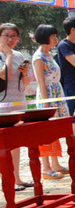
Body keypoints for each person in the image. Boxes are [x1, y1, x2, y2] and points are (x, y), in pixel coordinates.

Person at [32, 24, 70, 180]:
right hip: (47, 94)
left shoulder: (49, 55)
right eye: (53, 36)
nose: (55, 38)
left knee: (55, 131)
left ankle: (55, 163)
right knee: (46, 132)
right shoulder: (39, 57)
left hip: (57, 92)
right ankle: (46, 167)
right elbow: (41, 81)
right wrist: (46, 103)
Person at [0, 23, 35, 190]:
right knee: (3, 145)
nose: (10, 39)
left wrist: (24, 73)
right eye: (6, 35)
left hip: (18, 102)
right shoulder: (4, 55)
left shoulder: (20, 55)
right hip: (2, 106)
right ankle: (6, 179)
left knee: (16, 143)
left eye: (14, 36)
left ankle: (16, 178)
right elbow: (3, 74)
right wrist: (7, 55)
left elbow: (26, 83)